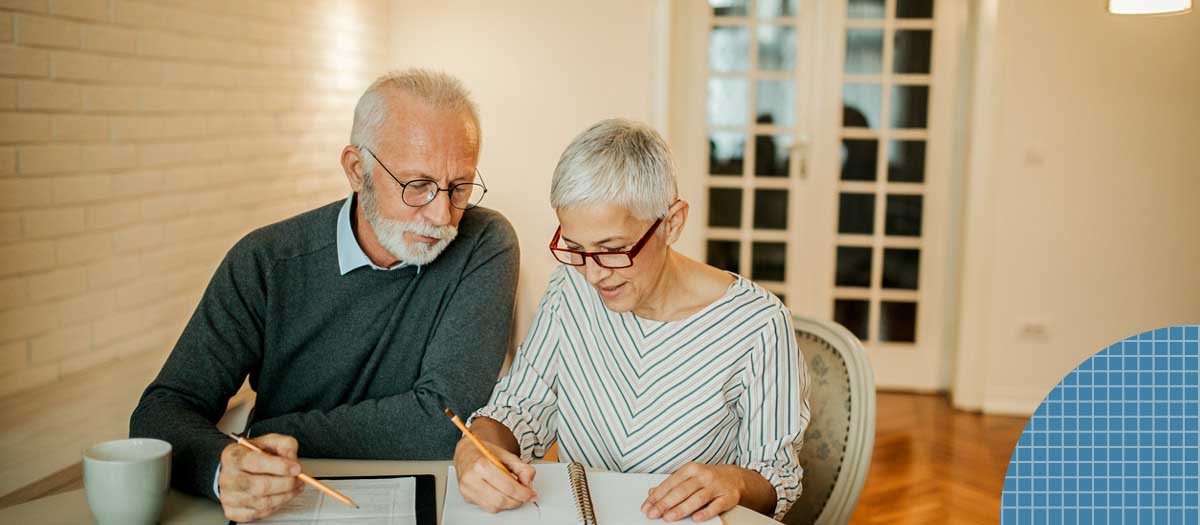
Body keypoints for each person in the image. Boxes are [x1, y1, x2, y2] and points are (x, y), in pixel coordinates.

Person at [129, 69, 519, 523]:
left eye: (460, 187)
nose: (442, 215)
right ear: (358, 170)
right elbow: (161, 412)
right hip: (284, 506)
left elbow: (444, 422)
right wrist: (224, 466)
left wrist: (269, 431)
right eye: (418, 186)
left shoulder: (484, 242)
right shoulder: (265, 262)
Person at [453, 118, 809, 522]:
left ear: (672, 223)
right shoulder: (571, 288)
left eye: (612, 249)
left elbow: (777, 477)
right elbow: (521, 405)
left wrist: (736, 483)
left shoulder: (759, 325)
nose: (593, 273)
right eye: (575, 248)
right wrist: (476, 444)